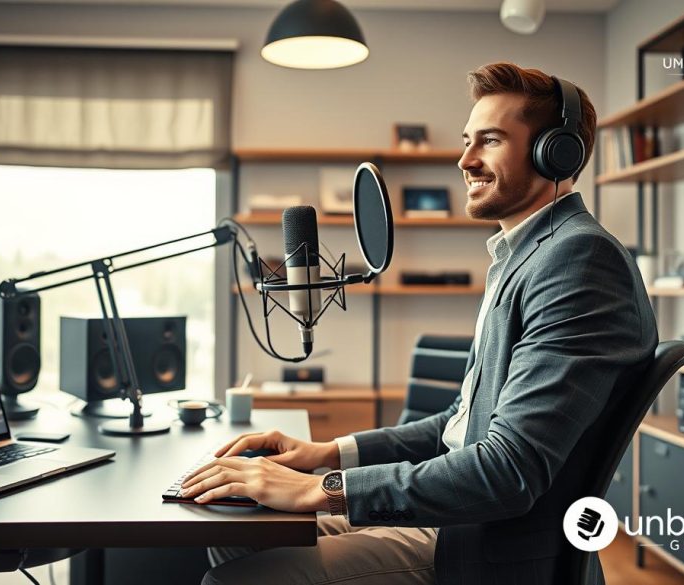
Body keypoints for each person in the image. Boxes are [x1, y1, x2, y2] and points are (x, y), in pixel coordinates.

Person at [183, 61, 658, 585]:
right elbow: (459, 423)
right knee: (233, 526)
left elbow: (509, 470)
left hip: (483, 549)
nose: (465, 160)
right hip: (454, 524)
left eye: (490, 141)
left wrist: (321, 487)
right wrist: (326, 454)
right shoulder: (525, 257)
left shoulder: (579, 260)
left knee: (236, 578)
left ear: (557, 152)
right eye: (466, 141)